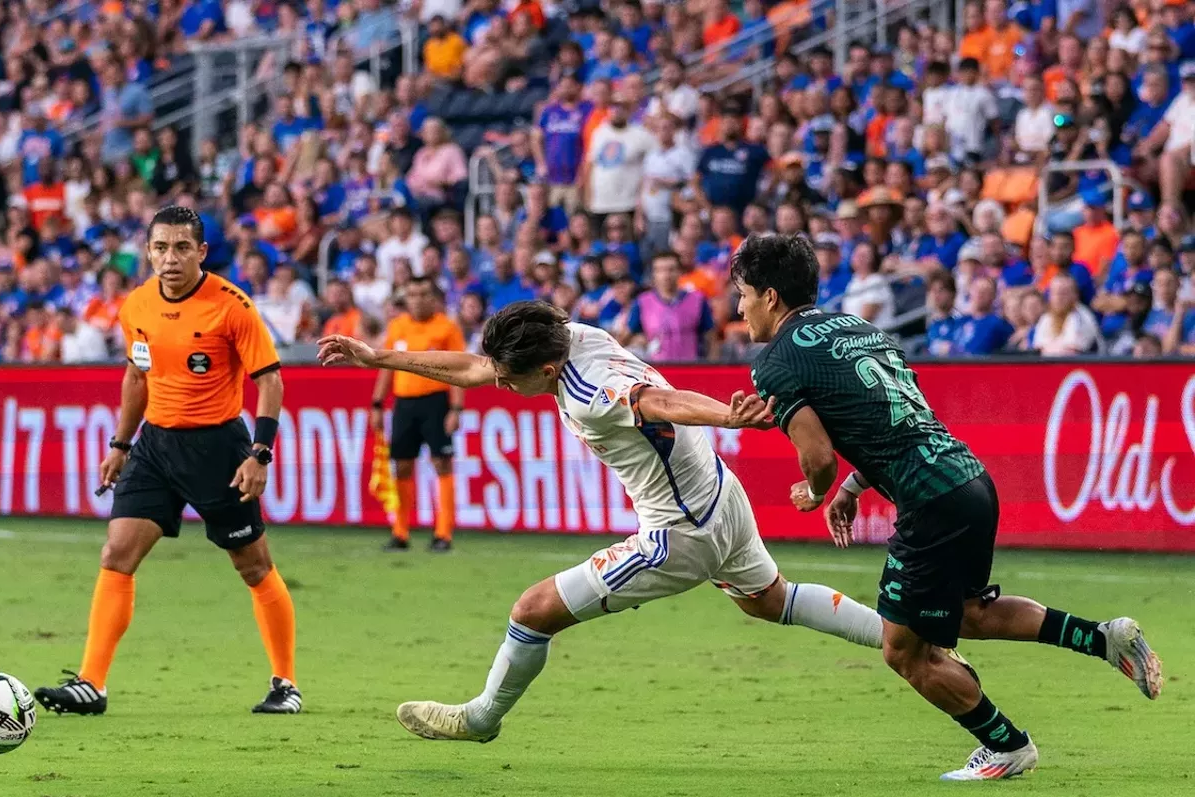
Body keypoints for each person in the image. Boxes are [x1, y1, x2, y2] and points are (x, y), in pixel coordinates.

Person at [318, 302, 889, 743]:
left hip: (678, 535)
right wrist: (380, 358)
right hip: (718, 493)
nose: (505, 385)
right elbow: (474, 367)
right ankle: (907, 639)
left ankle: (481, 717)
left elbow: (656, 403)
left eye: (512, 380)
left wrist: (726, 416)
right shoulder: (569, 334)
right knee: (771, 601)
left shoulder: (592, 392)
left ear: (545, 367)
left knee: (531, 611)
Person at [730, 233, 1162, 781]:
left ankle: (1006, 746)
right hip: (968, 479)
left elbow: (817, 457)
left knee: (903, 649)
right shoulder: (860, 329)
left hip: (930, 503)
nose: (738, 307)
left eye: (742, 294)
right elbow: (899, 416)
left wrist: (816, 491)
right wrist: (855, 487)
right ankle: (1103, 637)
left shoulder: (776, 361)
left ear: (770, 297)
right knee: (967, 613)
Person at [35, 206, 302, 716]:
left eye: (182, 248)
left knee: (253, 566)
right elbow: (138, 377)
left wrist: (259, 453)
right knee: (117, 554)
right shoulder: (136, 307)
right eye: (160, 247)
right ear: (149, 252)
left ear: (201, 252)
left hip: (218, 449)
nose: (170, 258)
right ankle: (92, 683)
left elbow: (269, 379)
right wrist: (120, 443)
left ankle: (285, 682)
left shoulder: (231, 305)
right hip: (155, 446)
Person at [370, 278, 466, 552]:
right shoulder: (398, 326)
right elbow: (385, 366)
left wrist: (456, 408)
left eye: (423, 294)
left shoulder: (446, 327)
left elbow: (460, 369)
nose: (417, 300)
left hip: (436, 402)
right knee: (401, 464)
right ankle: (400, 532)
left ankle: (443, 533)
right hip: (404, 404)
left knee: (441, 463)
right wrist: (377, 403)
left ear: (433, 298)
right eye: (412, 294)